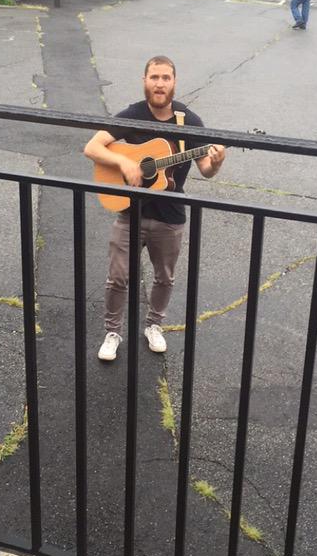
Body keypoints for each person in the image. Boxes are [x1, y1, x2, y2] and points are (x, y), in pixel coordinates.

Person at [84, 56, 226, 362]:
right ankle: (112, 332)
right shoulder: (133, 114)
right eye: (154, 77)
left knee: (164, 277)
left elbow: (205, 169)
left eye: (165, 78)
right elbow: (92, 147)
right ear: (144, 80)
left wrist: (216, 161)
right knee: (117, 277)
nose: (159, 83)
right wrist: (123, 161)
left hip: (170, 215)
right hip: (129, 212)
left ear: (174, 82)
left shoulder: (189, 121)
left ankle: (154, 326)